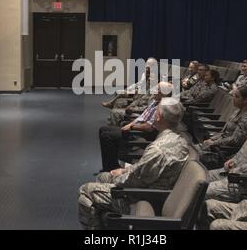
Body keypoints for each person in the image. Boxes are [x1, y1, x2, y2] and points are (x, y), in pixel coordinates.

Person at [78, 97, 191, 229]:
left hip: (143, 196)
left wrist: (117, 177)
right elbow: (145, 170)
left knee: (86, 190)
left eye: (156, 110)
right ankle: (108, 222)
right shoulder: (181, 139)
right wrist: (124, 170)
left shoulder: (158, 149)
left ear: (158, 117)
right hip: (153, 187)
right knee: (103, 176)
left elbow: (135, 180)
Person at [97, 82, 173, 173]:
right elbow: (141, 117)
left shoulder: (162, 107)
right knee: (103, 129)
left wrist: (132, 126)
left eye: (158, 90)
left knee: (107, 136)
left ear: (164, 93)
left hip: (142, 134)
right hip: (136, 127)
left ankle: (111, 168)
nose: (154, 91)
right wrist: (130, 124)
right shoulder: (154, 102)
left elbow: (149, 127)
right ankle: (110, 165)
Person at [195, 87, 247, 170]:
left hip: (225, 152)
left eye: (236, 96)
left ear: (245, 101)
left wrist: (214, 143)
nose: (233, 98)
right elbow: (224, 132)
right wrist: (212, 139)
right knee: (192, 149)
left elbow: (235, 140)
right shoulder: (239, 110)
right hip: (219, 145)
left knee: (193, 155)